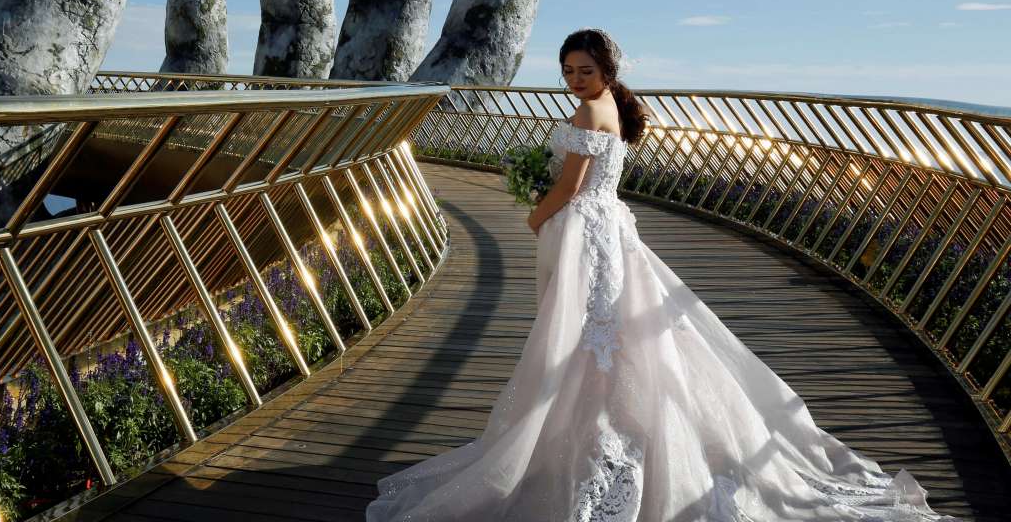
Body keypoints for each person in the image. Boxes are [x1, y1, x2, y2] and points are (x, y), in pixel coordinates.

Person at [365, 29, 956, 521]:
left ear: (606, 70)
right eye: (568, 70)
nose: (575, 79)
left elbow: (569, 185)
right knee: (610, 335)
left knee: (589, 336)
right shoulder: (612, 107)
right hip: (606, 227)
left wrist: (534, 213)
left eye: (585, 70)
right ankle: (615, 425)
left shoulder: (590, 111)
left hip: (584, 228)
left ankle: (598, 436)